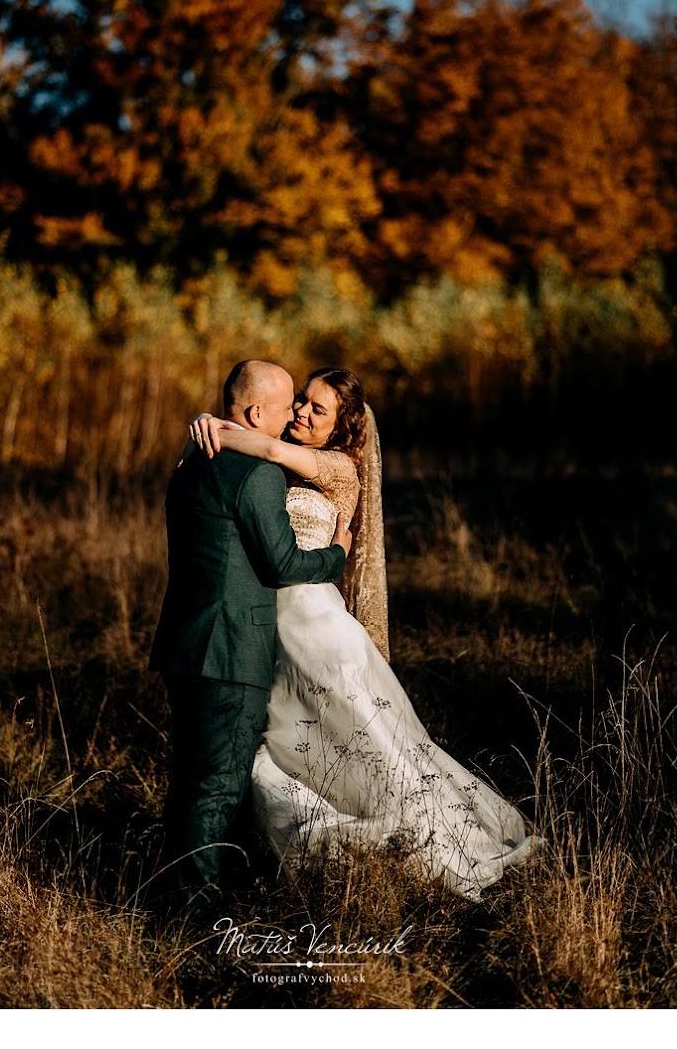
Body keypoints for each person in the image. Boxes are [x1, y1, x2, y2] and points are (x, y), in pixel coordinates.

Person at [189, 367, 538, 902]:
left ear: (341, 430)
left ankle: (440, 849)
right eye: (301, 401)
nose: (302, 413)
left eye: (318, 410)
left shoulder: (334, 468)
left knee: (378, 754)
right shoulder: (270, 459)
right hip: (271, 632)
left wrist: (221, 427)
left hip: (317, 631)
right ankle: (298, 862)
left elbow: (273, 452)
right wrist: (211, 422)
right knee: (293, 752)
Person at [148, 360, 353, 915]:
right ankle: (194, 914)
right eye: (287, 406)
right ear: (256, 412)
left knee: (189, 778)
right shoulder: (256, 474)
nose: (292, 418)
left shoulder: (191, 461)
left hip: (184, 643)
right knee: (217, 785)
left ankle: (177, 891)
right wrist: (337, 553)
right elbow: (284, 561)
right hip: (232, 648)